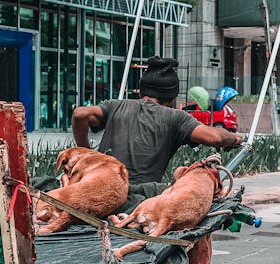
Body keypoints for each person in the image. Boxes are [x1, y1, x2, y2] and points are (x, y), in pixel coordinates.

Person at [72, 56, 243, 209]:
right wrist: (234, 139)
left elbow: (79, 114)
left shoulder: (115, 106)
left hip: (94, 189)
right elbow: (216, 137)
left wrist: (87, 156)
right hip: (134, 199)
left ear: (142, 90)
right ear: (171, 97)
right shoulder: (175, 117)